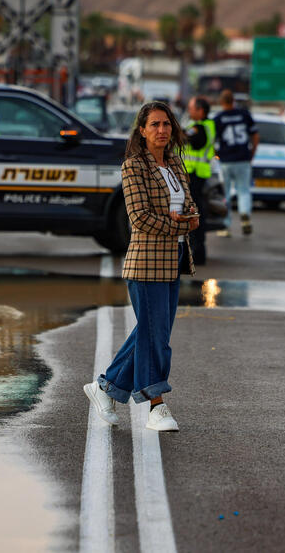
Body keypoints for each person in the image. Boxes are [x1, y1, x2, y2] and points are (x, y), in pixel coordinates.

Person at [83, 101, 198, 432]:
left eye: (166, 124)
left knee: (153, 332)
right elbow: (140, 219)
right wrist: (181, 225)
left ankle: (106, 388)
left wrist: (190, 217)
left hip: (173, 260)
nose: (162, 130)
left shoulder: (176, 164)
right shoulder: (133, 167)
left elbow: (189, 204)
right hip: (146, 263)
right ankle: (156, 406)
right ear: (142, 131)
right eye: (154, 125)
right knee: (155, 337)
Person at [213, 89, 259, 236]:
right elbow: (256, 136)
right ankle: (245, 215)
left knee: (225, 194)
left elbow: (212, 140)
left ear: (221, 102)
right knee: (244, 190)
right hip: (243, 159)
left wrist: (217, 155)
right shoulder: (244, 114)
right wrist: (252, 153)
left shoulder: (218, 118)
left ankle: (225, 226)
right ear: (233, 101)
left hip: (226, 160)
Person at [181, 96, 215, 265]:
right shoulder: (198, 125)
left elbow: (193, 140)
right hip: (193, 174)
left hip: (195, 174)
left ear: (200, 111)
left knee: (194, 212)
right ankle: (194, 249)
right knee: (192, 211)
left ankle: (197, 250)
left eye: (192, 108)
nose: (189, 111)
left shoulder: (201, 127)